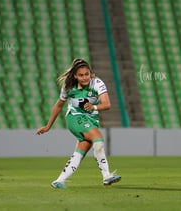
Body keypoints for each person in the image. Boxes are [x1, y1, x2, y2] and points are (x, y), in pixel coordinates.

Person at [36, 58, 121, 188]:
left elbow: (107, 104)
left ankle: (59, 181)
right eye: (81, 75)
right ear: (75, 76)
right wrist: (48, 126)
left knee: (80, 152)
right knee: (98, 139)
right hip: (74, 117)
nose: (84, 77)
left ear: (90, 73)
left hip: (91, 119)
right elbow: (58, 106)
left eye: (86, 74)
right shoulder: (68, 86)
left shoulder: (97, 83)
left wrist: (94, 108)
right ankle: (107, 176)